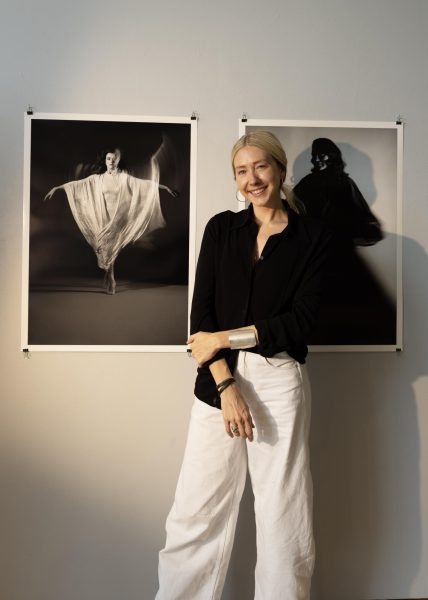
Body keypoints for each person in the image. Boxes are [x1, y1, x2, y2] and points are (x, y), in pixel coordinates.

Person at [156, 131, 331, 600]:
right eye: (241, 171)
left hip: (278, 381)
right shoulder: (220, 229)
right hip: (218, 382)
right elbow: (201, 323)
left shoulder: (312, 237)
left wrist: (226, 339)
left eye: (261, 167)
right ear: (235, 179)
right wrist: (227, 385)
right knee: (196, 511)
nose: (252, 179)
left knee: (282, 515)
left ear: (279, 169)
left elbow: (299, 323)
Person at [293, 138, 396, 345]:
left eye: (324, 154)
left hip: (337, 265)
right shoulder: (316, 184)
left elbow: (366, 226)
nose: (320, 159)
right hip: (326, 265)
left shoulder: (339, 183)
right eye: (317, 155)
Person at [44, 147, 178, 294]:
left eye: (114, 159)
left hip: (118, 217)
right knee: (102, 247)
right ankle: (109, 275)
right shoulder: (98, 179)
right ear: (105, 161)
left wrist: (165, 188)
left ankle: (111, 277)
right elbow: (77, 184)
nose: (111, 161)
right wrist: (56, 188)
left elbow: (144, 184)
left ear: (117, 161)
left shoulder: (124, 178)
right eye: (108, 159)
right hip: (102, 216)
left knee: (111, 246)